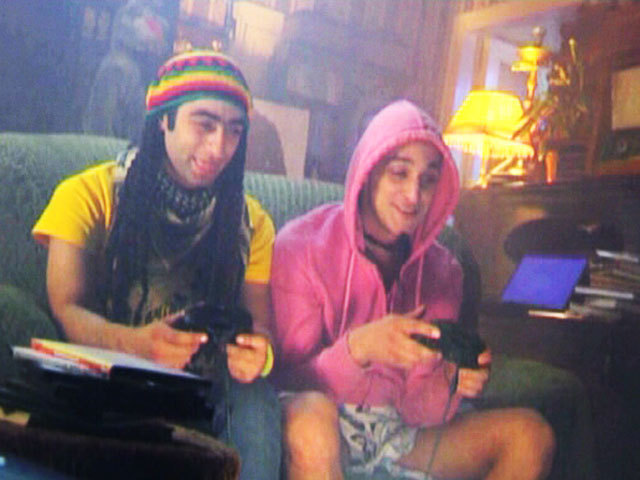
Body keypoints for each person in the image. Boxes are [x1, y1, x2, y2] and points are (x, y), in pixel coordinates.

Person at [271, 100, 555, 479]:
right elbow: (285, 380)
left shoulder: (444, 270)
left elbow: (420, 413)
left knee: (530, 436)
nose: (413, 195)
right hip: (317, 420)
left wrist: (452, 380)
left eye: (428, 179)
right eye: (399, 173)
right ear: (369, 170)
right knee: (312, 426)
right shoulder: (300, 245)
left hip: (399, 434)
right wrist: (359, 348)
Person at [33, 49, 280, 480]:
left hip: (203, 391)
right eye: (204, 124)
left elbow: (260, 326)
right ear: (164, 119)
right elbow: (66, 308)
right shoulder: (87, 195)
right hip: (107, 378)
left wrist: (258, 353)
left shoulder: (252, 223)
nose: (219, 147)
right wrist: (136, 344)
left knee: (257, 400)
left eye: (234, 130)